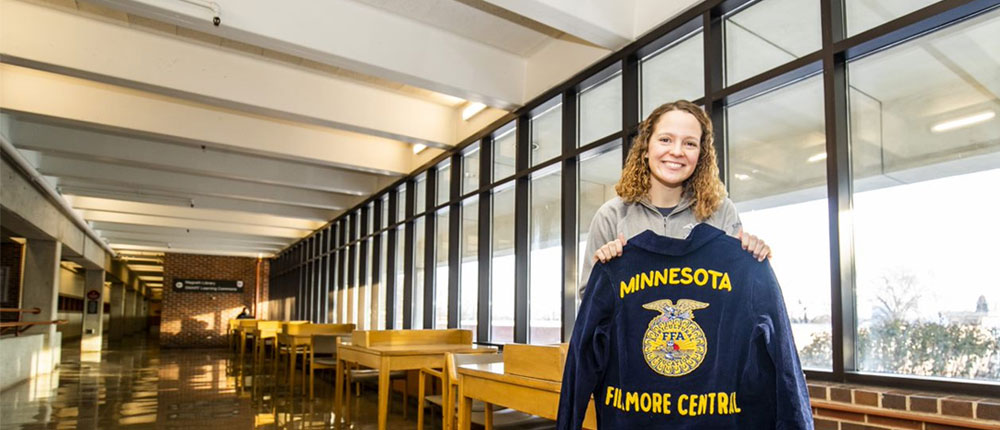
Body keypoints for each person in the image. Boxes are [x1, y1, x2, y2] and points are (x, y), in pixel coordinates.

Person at [579, 100, 771, 296]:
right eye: (665, 140)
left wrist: (754, 256)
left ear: (701, 155)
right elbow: (590, 301)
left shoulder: (721, 211)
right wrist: (602, 270)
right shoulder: (611, 216)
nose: (677, 152)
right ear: (645, 148)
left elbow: (737, 292)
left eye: (689, 143)